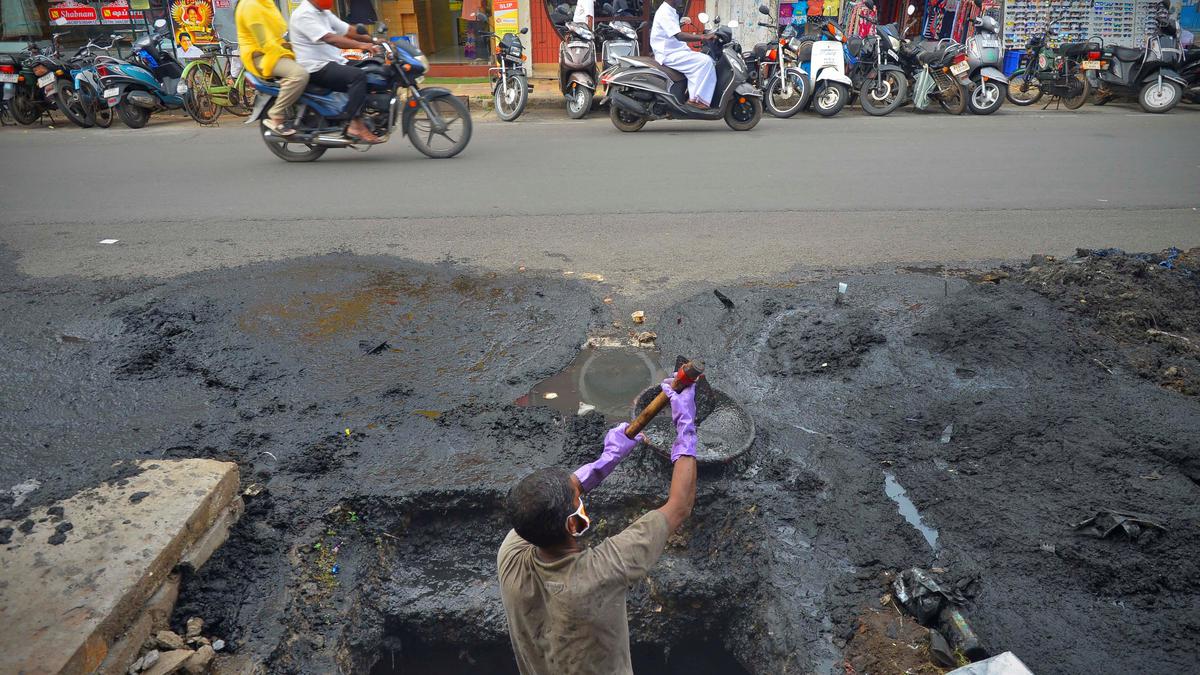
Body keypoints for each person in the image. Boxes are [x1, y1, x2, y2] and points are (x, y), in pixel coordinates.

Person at [498, 376, 699, 675]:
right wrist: (686, 426)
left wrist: (607, 459)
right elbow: (679, 506)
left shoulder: (511, 554)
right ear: (573, 523)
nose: (579, 488)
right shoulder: (602, 571)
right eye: (576, 496)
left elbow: (559, 495)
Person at [288, 0, 385, 143]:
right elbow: (330, 38)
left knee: (373, 69)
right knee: (358, 76)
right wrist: (362, 45)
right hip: (316, 67)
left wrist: (375, 41)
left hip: (334, 61)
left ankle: (370, 113)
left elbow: (349, 30)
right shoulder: (303, 15)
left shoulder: (323, 12)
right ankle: (354, 124)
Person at [236, 0, 309, 136]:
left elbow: (278, 34)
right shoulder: (250, 5)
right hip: (261, 56)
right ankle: (276, 114)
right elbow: (264, 42)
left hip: (275, 50)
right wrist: (287, 50)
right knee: (299, 74)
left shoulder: (266, 3)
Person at [650, 0, 717, 108]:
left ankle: (690, 93)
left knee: (705, 59)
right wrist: (703, 37)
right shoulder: (664, 12)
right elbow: (679, 36)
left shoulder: (671, 10)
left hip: (675, 50)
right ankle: (695, 100)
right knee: (705, 61)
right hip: (668, 53)